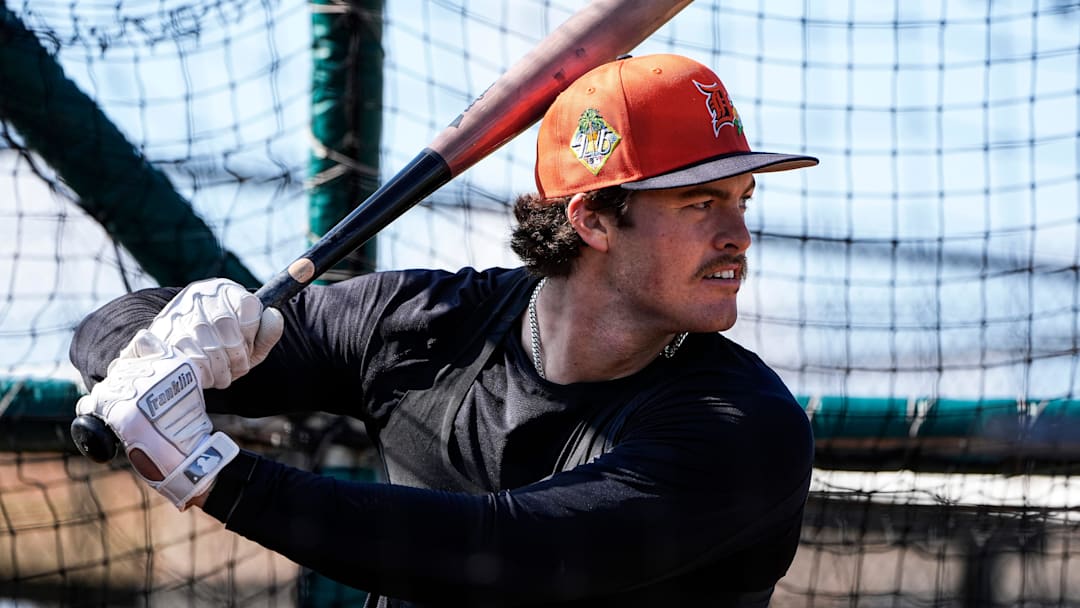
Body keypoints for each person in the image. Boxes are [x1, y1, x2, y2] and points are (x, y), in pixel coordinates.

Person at [71, 53, 818, 607]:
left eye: (741, 200)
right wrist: (159, 350)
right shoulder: (422, 325)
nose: (739, 236)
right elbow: (108, 327)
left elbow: (512, 551)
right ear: (591, 217)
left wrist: (222, 479)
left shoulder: (744, 426)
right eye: (699, 204)